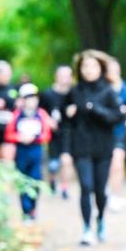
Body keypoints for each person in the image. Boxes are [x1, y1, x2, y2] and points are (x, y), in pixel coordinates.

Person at [63, 50, 126, 246]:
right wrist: (66, 150)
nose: (89, 70)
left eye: (93, 66)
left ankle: (100, 220)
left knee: (100, 190)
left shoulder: (108, 91)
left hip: (103, 147)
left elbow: (117, 117)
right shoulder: (74, 92)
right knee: (86, 186)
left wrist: (95, 109)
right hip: (81, 146)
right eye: (85, 66)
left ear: (100, 68)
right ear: (80, 69)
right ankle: (86, 228)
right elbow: (65, 123)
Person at [5, 83, 53, 223]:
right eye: (28, 98)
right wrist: (19, 138)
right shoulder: (16, 115)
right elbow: (9, 134)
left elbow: (47, 134)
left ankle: (33, 209)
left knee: (35, 180)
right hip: (21, 151)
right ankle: (25, 211)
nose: (31, 101)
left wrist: (35, 138)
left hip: (36, 151)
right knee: (22, 181)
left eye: (33, 98)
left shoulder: (41, 114)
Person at [106, 58, 126, 212]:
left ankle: (115, 195)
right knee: (106, 164)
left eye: (115, 69)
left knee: (118, 162)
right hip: (103, 132)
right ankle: (103, 191)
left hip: (120, 130)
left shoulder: (125, 87)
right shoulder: (102, 87)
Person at [40, 64, 74, 199]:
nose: (65, 79)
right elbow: (40, 111)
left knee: (67, 160)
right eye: (62, 76)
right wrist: (47, 120)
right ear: (56, 77)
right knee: (53, 164)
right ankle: (52, 181)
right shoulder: (47, 94)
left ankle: (65, 188)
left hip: (68, 132)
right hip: (51, 134)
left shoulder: (73, 94)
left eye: (68, 76)